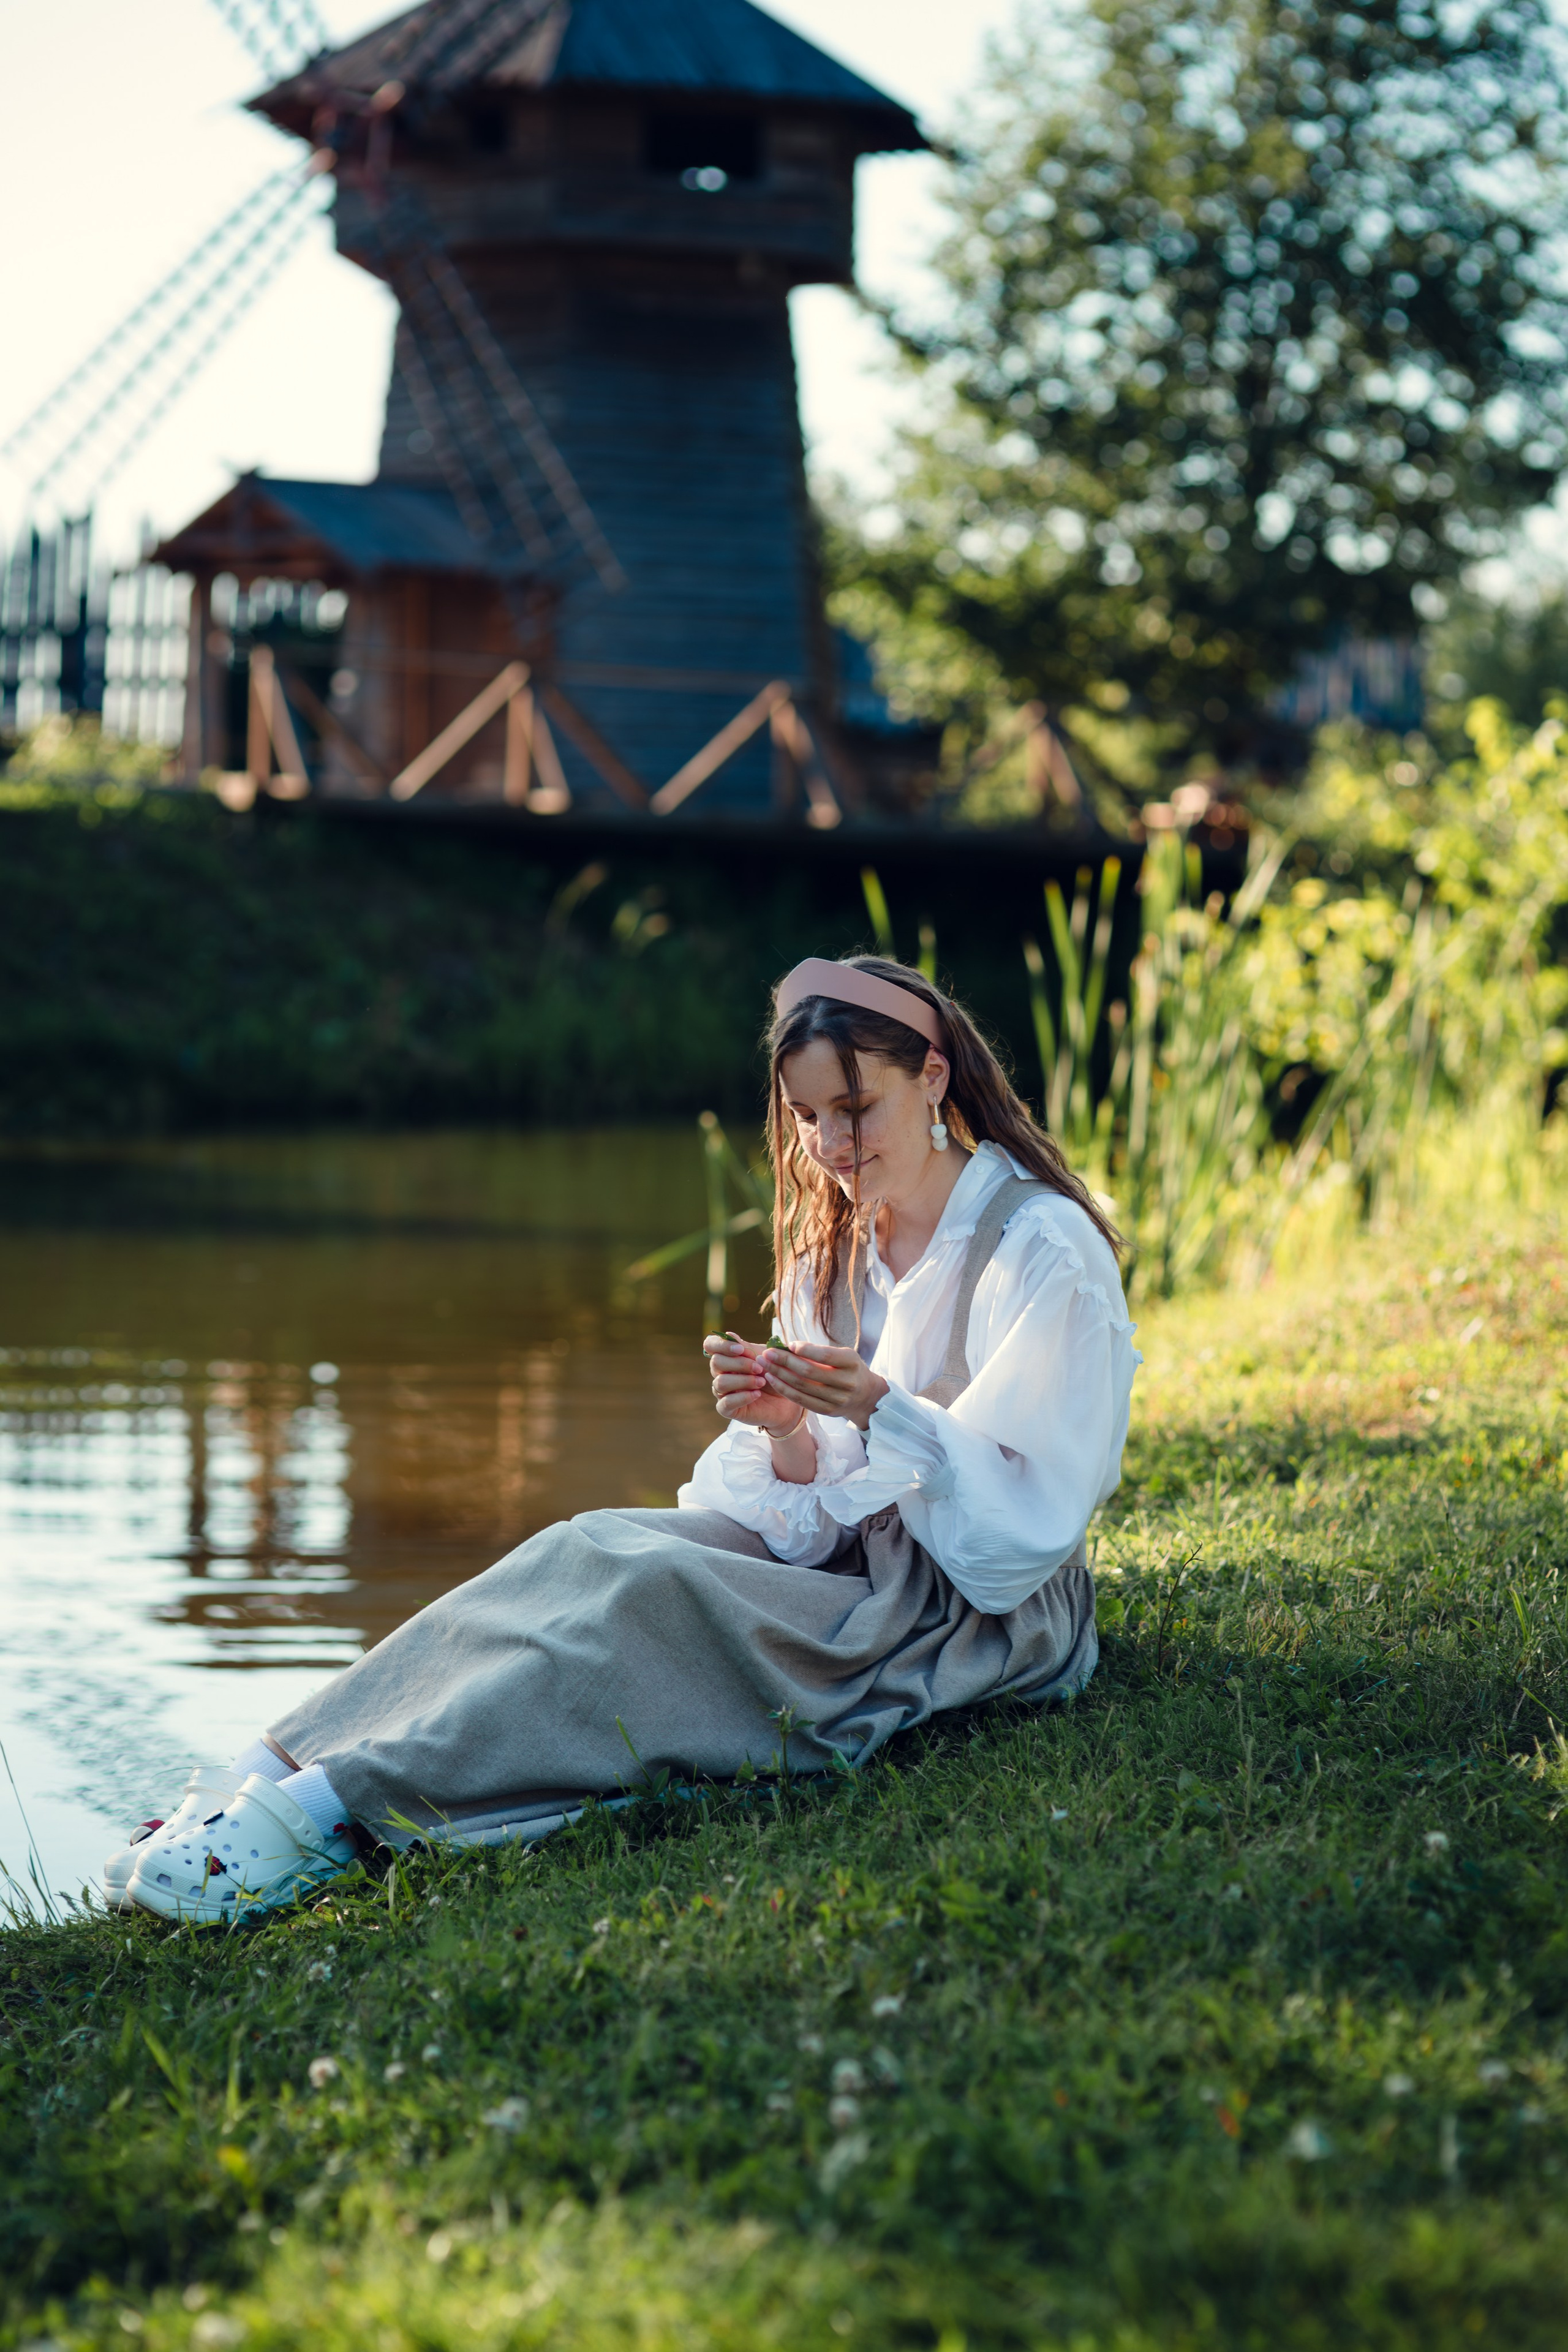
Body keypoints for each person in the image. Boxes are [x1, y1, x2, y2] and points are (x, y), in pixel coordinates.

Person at [105, 955, 1139, 1924]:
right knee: (583, 1546)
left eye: (855, 1108)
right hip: (851, 1563)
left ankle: (327, 1812)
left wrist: (881, 1408)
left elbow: (1024, 1532)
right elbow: (817, 1504)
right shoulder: (836, 1243)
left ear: (934, 1077)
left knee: (653, 1595)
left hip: (967, 1612)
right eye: (807, 1116)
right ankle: (264, 1771)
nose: (831, 1144)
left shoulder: (1039, 1244)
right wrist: (789, 1429)